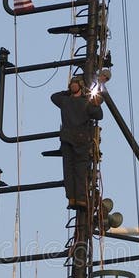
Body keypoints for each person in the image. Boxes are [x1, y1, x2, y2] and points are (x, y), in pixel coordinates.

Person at [51, 75, 103, 208]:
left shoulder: (64, 101)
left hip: (67, 139)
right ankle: (81, 198)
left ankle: (72, 198)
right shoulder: (86, 103)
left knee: (68, 170)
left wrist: (67, 92)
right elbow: (99, 115)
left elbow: (54, 96)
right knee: (81, 170)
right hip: (81, 140)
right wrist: (96, 104)